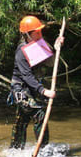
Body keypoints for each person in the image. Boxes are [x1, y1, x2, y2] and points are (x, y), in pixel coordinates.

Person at [9, 15, 63, 150]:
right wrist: (44, 91)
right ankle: (43, 149)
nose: (40, 34)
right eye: (36, 32)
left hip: (31, 89)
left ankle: (15, 150)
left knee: (21, 121)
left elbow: (51, 62)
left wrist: (56, 48)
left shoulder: (39, 45)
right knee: (39, 114)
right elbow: (26, 76)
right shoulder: (21, 51)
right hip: (21, 90)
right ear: (27, 34)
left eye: (40, 32)